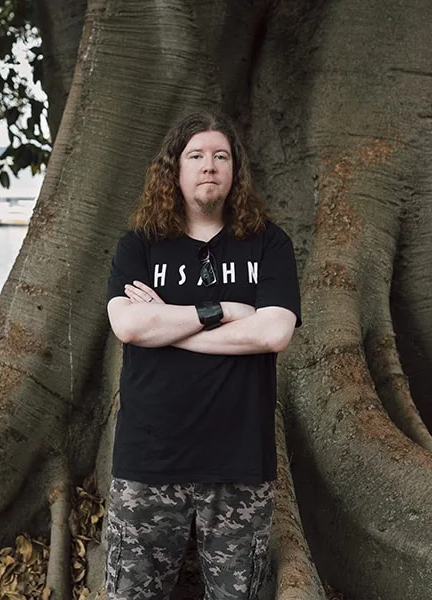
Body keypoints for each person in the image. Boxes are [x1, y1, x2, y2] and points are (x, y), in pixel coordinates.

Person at [104, 111, 302, 600]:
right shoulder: (140, 245)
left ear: (236, 171)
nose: (208, 165)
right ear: (175, 169)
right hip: (148, 463)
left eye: (220, 156)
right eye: (196, 156)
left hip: (240, 464)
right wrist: (225, 311)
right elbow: (128, 324)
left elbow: (274, 331)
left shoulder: (268, 243)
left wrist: (168, 325)